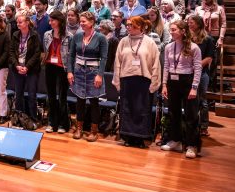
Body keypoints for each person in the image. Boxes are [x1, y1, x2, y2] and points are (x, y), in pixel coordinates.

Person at [112, 16, 162, 148]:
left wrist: (155, 82)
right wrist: (117, 79)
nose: (128, 27)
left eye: (131, 25)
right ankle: (127, 136)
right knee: (127, 109)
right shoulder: (123, 41)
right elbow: (117, 62)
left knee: (141, 109)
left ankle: (140, 138)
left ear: (140, 26)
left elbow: (156, 63)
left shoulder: (149, 42)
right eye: (127, 25)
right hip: (127, 80)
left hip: (143, 81)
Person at [161, 20, 203, 159]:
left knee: (191, 115)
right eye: (170, 29)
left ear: (183, 31)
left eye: (174, 30)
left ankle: (192, 145)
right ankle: (176, 141)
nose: (171, 32)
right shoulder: (168, 47)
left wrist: (194, 88)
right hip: (172, 82)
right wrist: (164, 85)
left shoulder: (194, 47)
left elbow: (198, 68)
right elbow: (166, 66)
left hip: (188, 81)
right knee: (173, 113)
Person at [68, 11, 108, 142]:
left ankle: (94, 130)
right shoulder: (77, 36)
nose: (81, 23)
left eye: (84, 21)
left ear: (92, 23)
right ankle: (79, 128)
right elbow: (71, 55)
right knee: (79, 100)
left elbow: (104, 58)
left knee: (94, 101)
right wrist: (70, 71)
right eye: (81, 21)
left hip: (93, 73)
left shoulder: (101, 38)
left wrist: (100, 75)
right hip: (78, 71)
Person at [8, 14, 42, 123]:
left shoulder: (34, 35)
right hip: (17, 68)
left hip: (31, 69)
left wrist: (27, 67)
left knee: (32, 94)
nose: (18, 24)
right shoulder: (15, 35)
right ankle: (19, 117)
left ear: (27, 22)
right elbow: (12, 52)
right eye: (17, 22)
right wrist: (17, 65)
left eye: (20, 22)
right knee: (18, 95)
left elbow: (37, 53)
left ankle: (33, 118)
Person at [43, 11, 72, 133]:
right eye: (49, 20)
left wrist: (70, 71)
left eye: (52, 20)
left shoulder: (69, 36)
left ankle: (62, 124)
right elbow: (45, 50)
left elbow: (71, 56)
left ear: (59, 21)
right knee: (50, 96)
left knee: (62, 97)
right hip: (50, 66)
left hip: (62, 68)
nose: (50, 22)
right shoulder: (47, 34)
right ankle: (51, 122)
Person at [187, 14, 214, 137]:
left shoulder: (208, 39)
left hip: (202, 73)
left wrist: (195, 67)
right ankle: (189, 123)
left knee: (202, 100)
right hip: (187, 72)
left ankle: (203, 126)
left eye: (191, 22)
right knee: (189, 99)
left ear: (198, 24)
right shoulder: (187, 38)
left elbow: (208, 58)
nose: (189, 24)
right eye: (188, 22)